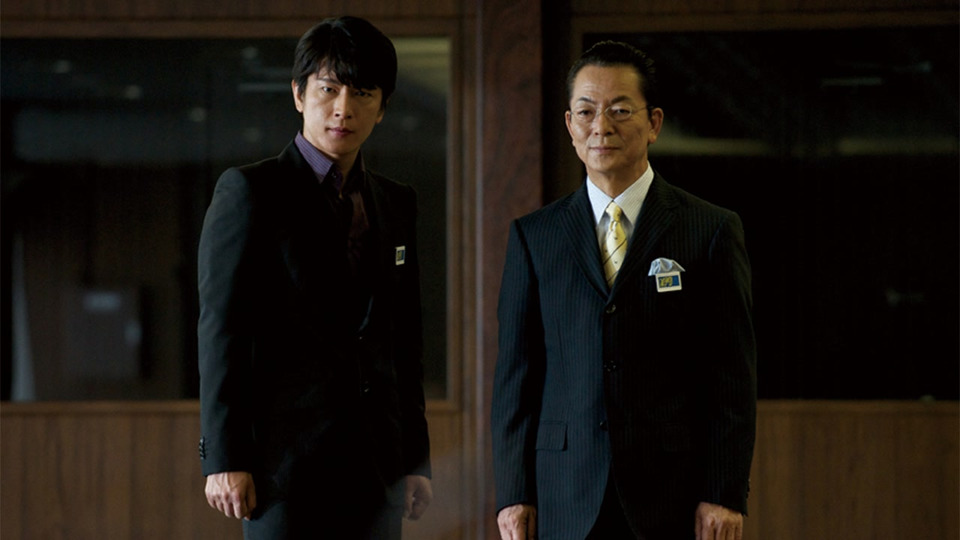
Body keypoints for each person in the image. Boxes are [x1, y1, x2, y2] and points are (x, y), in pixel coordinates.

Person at [491, 41, 756, 540]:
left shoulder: (710, 229)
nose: (601, 127)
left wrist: (723, 491)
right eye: (586, 112)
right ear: (569, 125)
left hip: (672, 492)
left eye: (619, 110)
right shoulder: (535, 236)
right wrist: (513, 492)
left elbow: (731, 377)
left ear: (653, 123)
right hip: (563, 491)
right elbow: (515, 378)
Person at [197, 16, 432, 539]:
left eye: (362, 93)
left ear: (382, 107)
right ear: (299, 94)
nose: (344, 108)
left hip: (377, 471)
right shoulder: (250, 192)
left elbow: (402, 339)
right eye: (328, 89)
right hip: (282, 471)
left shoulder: (396, 202)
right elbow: (221, 329)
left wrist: (415, 458)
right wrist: (225, 457)